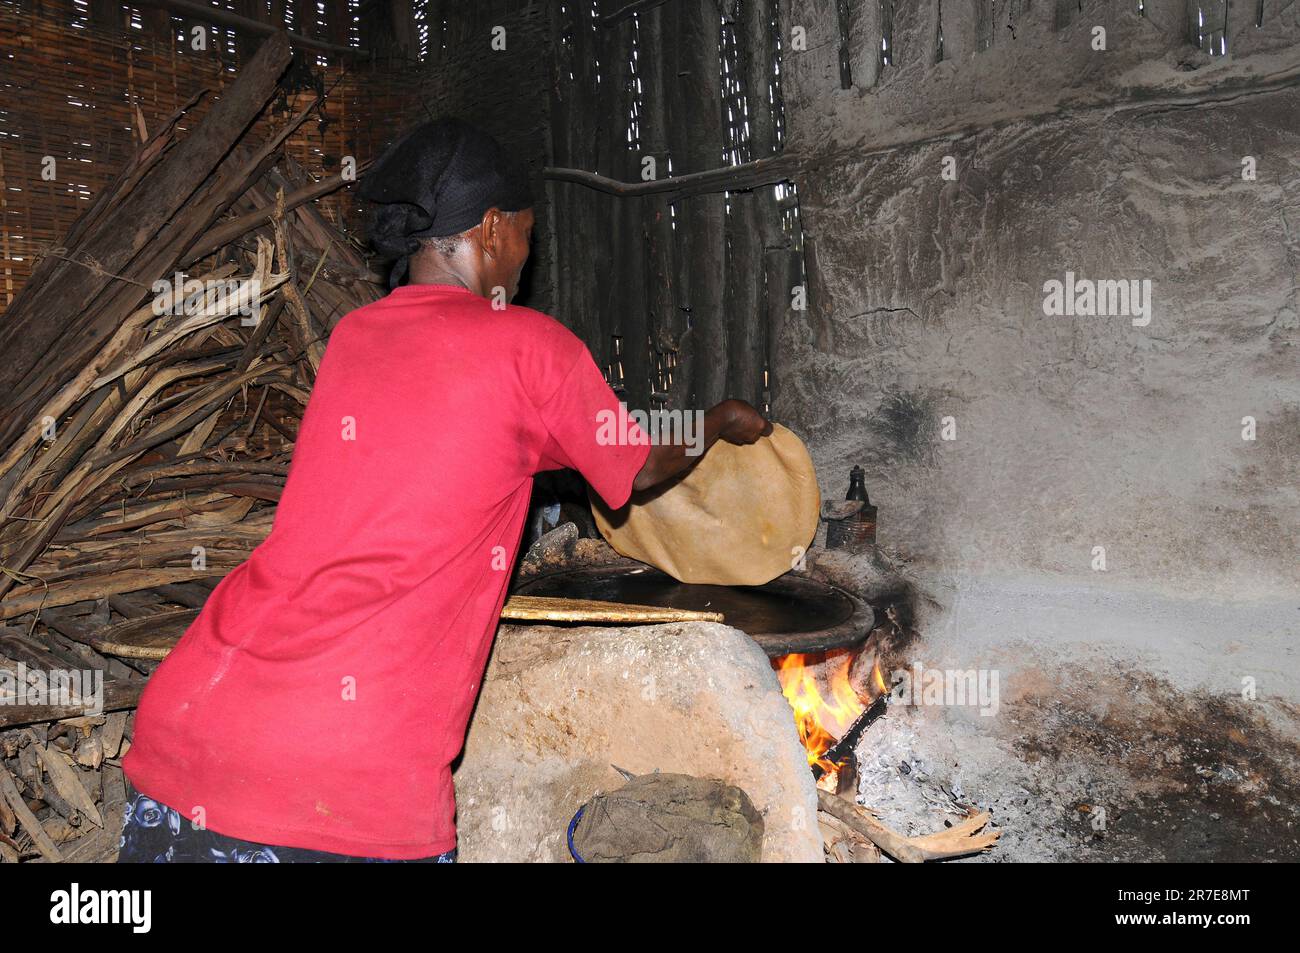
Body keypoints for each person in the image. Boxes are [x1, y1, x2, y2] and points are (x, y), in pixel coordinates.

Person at [118, 118, 771, 863]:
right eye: (526, 234)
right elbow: (640, 466)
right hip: (341, 785)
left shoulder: (353, 338)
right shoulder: (530, 346)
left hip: (192, 726)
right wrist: (717, 420)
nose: (528, 257)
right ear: (491, 229)